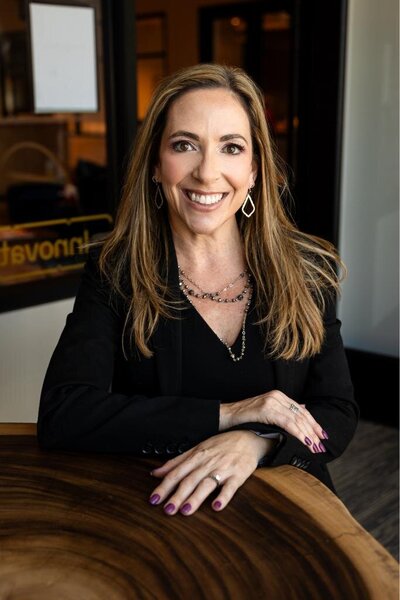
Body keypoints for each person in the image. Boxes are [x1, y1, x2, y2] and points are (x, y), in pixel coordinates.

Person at [38, 64, 358, 517]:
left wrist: (255, 440)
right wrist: (229, 414)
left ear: (254, 170)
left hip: (288, 508)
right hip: (167, 514)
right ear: (155, 164)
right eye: (184, 145)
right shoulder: (115, 271)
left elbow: (337, 413)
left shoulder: (306, 270)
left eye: (231, 148)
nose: (207, 173)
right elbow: (63, 414)